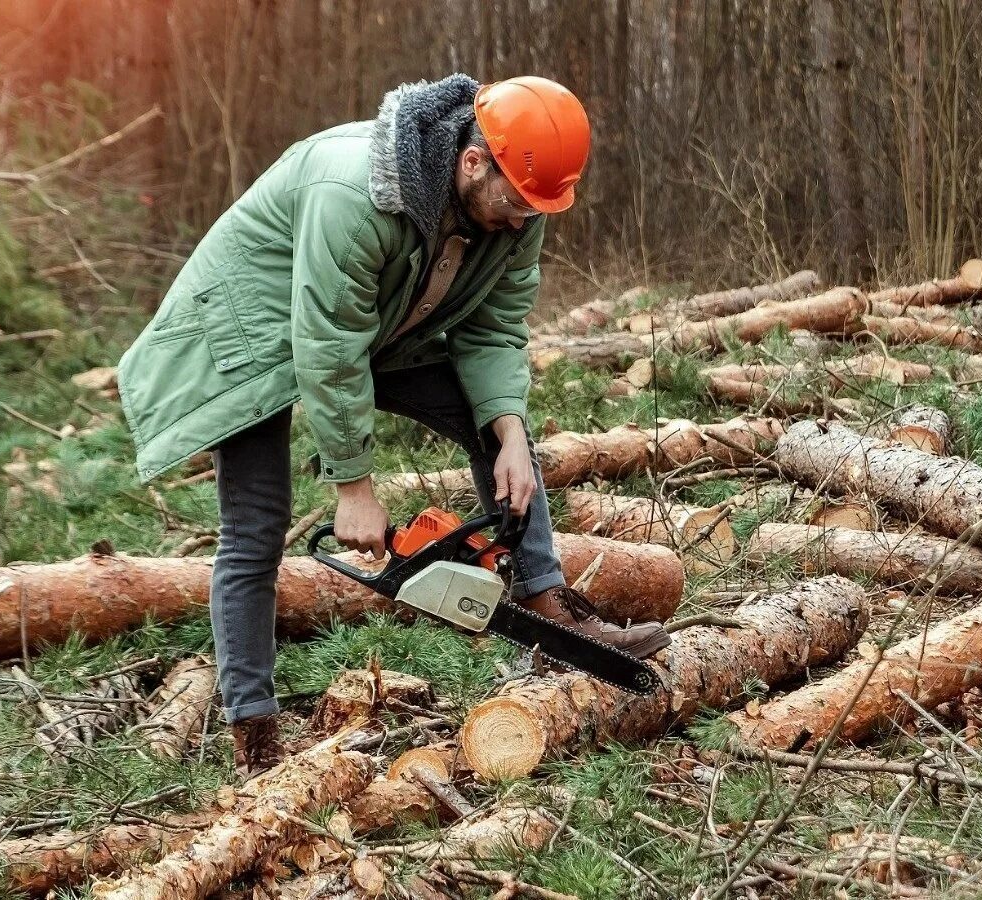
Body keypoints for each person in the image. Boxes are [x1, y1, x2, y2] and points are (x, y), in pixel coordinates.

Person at [118, 74, 671, 777]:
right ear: (474, 163)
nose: (525, 221)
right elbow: (326, 342)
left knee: (500, 432)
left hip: (380, 325)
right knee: (256, 526)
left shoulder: (518, 208)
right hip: (252, 332)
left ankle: (546, 602)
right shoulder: (357, 193)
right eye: (517, 203)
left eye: (539, 208)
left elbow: (494, 330)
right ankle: (254, 732)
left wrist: (506, 433)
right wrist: (353, 487)